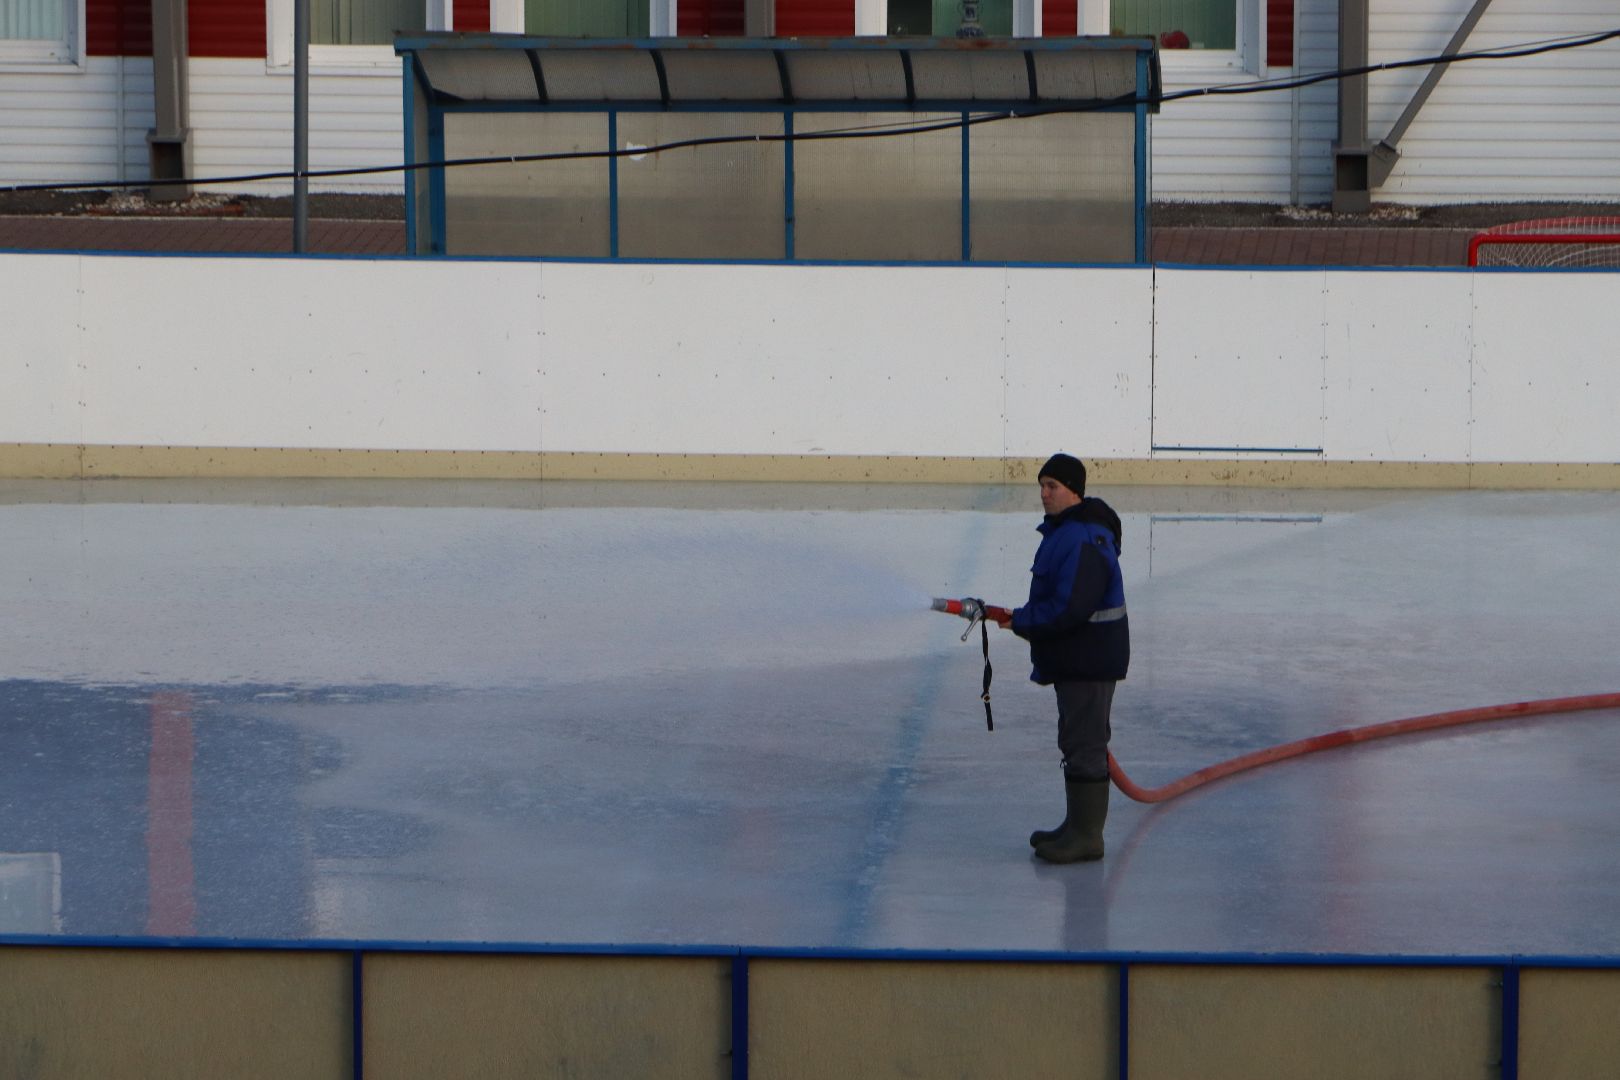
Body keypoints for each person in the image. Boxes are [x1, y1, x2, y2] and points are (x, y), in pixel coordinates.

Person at [998, 453, 1128, 863]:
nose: (1043, 494)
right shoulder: (1066, 533)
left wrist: (1023, 621)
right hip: (1078, 656)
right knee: (1075, 740)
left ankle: (1088, 836)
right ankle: (1076, 826)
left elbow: (1070, 606)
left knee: (1086, 744)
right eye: (1041, 485)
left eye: (1052, 486)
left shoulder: (1084, 537)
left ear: (1074, 490)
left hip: (1089, 658)